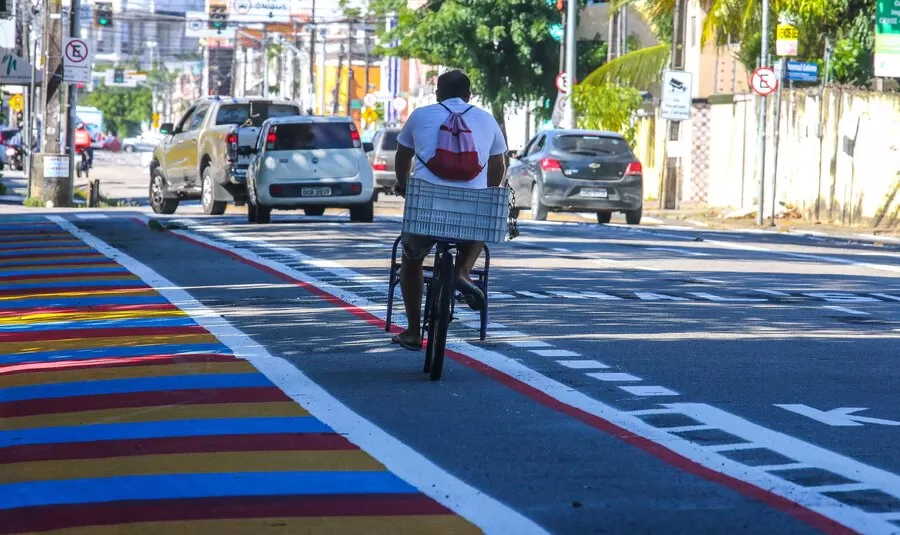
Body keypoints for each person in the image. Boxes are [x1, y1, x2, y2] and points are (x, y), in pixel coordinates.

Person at [391, 70, 508, 351]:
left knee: (412, 259)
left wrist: (404, 186)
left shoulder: (420, 115)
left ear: (437, 95)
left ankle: (413, 332)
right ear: (469, 96)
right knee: (481, 217)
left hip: (426, 208)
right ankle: (464, 272)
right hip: (470, 214)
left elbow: (402, 155)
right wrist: (488, 192)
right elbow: (499, 166)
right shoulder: (487, 119)